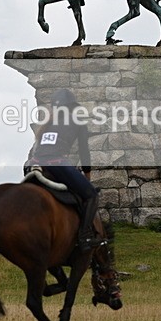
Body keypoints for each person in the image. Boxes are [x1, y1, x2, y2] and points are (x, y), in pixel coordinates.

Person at [26, 89, 104, 252]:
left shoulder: (46, 123)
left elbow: (37, 149)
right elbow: (84, 151)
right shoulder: (77, 121)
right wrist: (87, 175)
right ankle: (84, 237)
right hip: (57, 164)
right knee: (91, 195)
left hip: (32, 165)